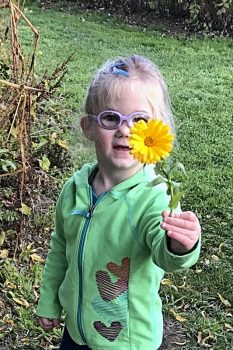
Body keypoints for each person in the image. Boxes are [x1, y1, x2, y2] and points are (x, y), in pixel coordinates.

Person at [37, 54, 201, 350]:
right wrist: (48, 300)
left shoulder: (155, 195)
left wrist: (180, 245)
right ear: (89, 127)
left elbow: (164, 253)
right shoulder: (74, 189)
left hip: (128, 341)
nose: (125, 130)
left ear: (156, 130)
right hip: (76, 334)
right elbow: (60, 246)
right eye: (111, 118)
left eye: (140, 120)